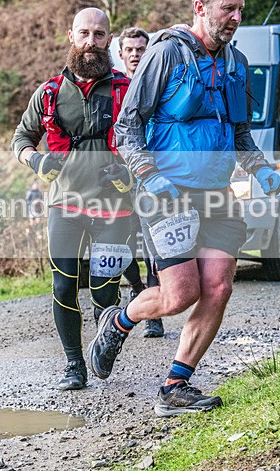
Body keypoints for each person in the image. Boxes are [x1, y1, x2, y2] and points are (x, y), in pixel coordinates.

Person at [89, 0, 280, 417]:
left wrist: (258, 166)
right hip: (166, 193)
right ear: (201, 7)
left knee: (218, 286)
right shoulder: (167, 55)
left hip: (217, 193)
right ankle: (119, 320)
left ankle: (176, 385)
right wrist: (146, 172)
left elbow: (239, 133)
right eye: (227, 8)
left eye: (240, 9)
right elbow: (127, 126)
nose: (235, 17)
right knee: (179, 296)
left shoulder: (237, 63)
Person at [12, 7, 136, 391]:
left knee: (104, 287)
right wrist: (36, 160)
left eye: (99, 35)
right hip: (64, 207)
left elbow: (151, 142)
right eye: (84, 33)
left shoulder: (127, 90)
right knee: (64, 286)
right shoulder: (49, 92)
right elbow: (21, 139)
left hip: (115, 208)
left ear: (109, 40)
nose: (91, 42)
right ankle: (73, 365)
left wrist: (128, 173)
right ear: (71, 36)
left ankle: (103, 346)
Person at [117, 26, 165, 339]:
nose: (135, 55)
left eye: (140, 49)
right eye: (130, 50)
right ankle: (136, 290)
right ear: (120, 54)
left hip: (150, 179)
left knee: (152, 250)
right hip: (116, 184)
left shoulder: (157, 85)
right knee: (120, 249)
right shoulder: (114, 89)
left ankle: (154, 316)